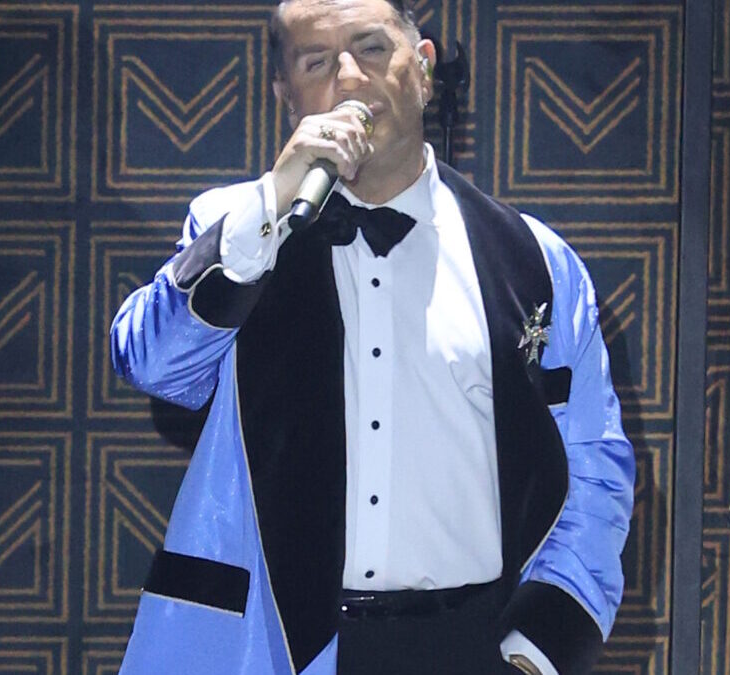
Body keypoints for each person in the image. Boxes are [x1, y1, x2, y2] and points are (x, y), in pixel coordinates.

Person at [110, 0, 635, 673]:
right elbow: (156, 367)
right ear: (285, 94)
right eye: (316, 62)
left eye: (372, 49)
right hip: (280, 648)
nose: (350, 78)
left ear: (424, 69)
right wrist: (270, 204)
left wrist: (538, 653)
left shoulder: (534, 259)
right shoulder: (240, 231)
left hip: (474, 643)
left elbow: (594, 469)